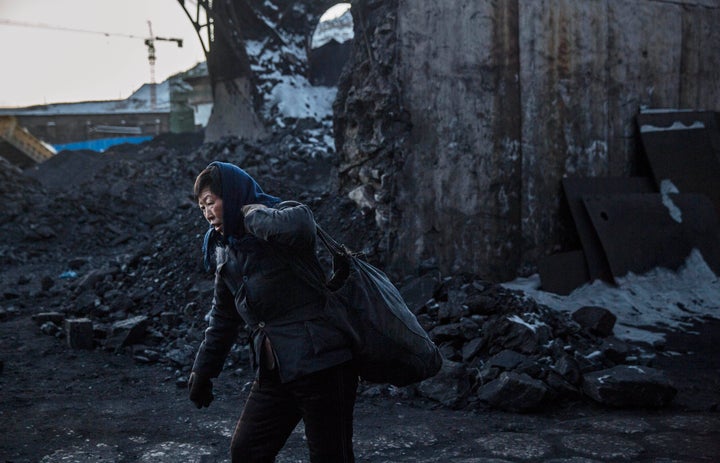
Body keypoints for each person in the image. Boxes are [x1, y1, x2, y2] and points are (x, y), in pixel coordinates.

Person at [188, 161, 358, 463]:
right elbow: (223, 319)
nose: (207, 213)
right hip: (275, 371)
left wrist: (247, 214)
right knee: (246, 451)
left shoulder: (282, 218)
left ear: (234, 194)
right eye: (202, 208)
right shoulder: (228, 253)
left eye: (211, 202)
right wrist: (203, 371)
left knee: (332, 457)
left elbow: (303, 224)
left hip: (323, 364)